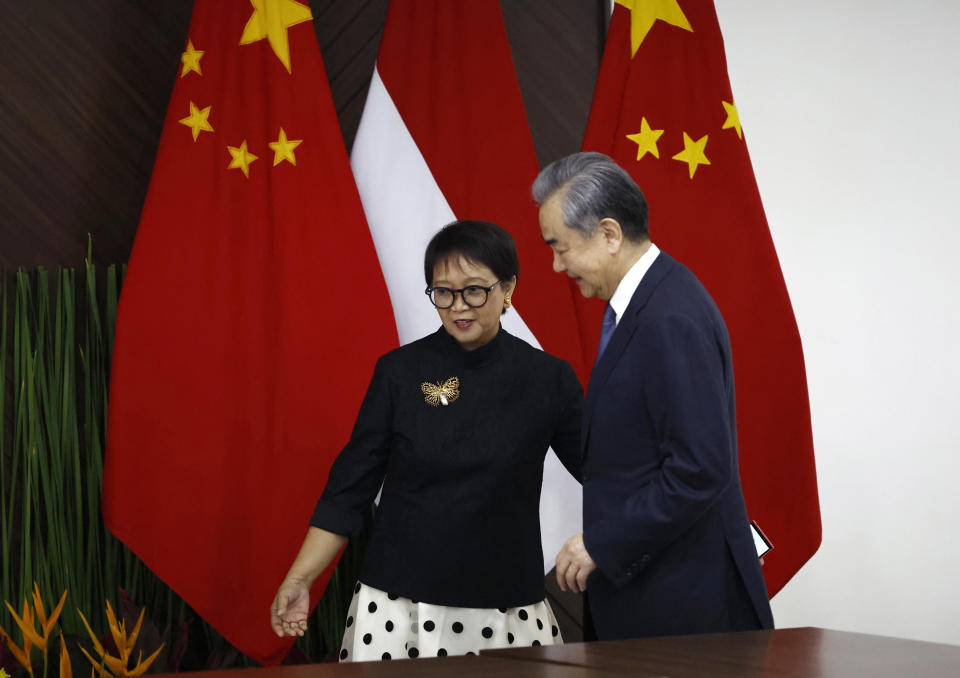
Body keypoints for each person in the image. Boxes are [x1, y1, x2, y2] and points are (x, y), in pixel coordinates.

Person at [270, 220, 582, 661]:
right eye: (443, 292)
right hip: (397, 611)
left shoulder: (549, 379)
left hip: (507, 611)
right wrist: (299, 579)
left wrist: (603, 538)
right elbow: (348, 491)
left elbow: (610, 473)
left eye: (474, 290)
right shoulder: (399, 372)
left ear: (508, 287)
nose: (459, 306)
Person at [532, 152, 773, 640]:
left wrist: (603, 543)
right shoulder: (649, 303)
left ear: (609, 234)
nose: (556, 266)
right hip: (655, 598)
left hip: (682, 610)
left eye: (560, 247)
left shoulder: (670, 318)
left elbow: (701, 468)